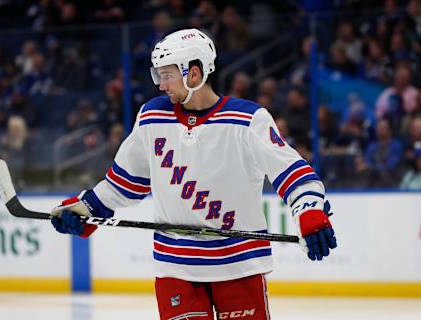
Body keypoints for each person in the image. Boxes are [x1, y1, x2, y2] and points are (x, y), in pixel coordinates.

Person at [50, 28, 337, 320]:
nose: (161, 85)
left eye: (167, 75)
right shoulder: (151, 117)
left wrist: (309, 211)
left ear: (194, 73)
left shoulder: (248, 120)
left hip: (238, 265)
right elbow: (124, 183)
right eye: (158, 75)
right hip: (176, 268)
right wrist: (87, 208)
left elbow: (291, 170)